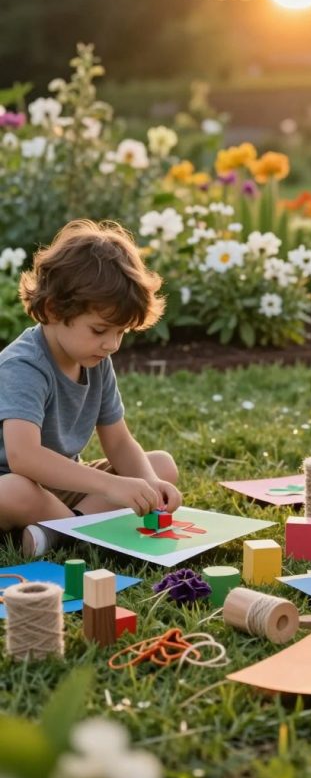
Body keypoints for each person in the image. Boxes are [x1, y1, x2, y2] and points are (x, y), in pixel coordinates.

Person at [0, 219, 182, 557]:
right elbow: (22, 457)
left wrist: (149, 484)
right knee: (12, 491)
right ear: (54, 310)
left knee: (160, 466)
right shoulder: (22, 365)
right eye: (99, 330)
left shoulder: (95, 360)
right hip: (15, 480)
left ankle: (58, 532)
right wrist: (112, 486)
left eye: (121, 332)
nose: (111, 344)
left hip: (64, 485)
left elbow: (119, 441)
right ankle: (79, 531)